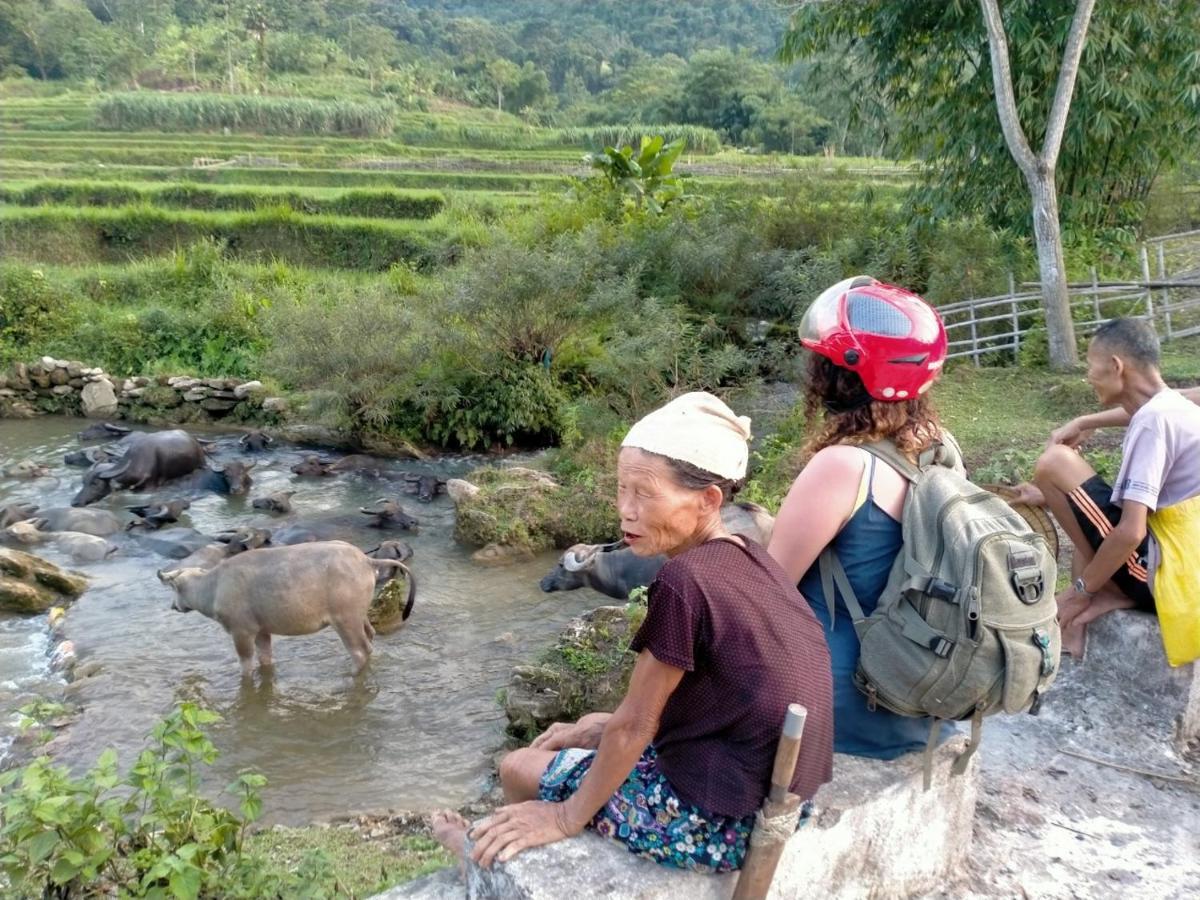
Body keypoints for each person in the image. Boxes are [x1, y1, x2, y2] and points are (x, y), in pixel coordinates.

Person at [432, 392, 834, 872]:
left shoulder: (683, 581)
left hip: (716, 822)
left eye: (644, 493)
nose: (625, 511)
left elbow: (636, 727)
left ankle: (483, 864)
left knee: (517, 766)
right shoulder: (748, 555)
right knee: (585, 730)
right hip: (779, 798)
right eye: (621, 489)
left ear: (708, 500)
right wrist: (598, 727)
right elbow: (729, 696)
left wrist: (566, 816)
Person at [768, 276, 951, 759]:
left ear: (844, 375)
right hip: (922, 695)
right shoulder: (939, 447)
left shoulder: (843, 465)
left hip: (843, 704)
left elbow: (766, 595)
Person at [1016, 318, 1200, 660]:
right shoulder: (1174, 408)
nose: (1088, 376)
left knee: (1055, 463)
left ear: (1116, 366)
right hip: (1184, 565)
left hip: (1162, 575)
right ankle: (1085, 621)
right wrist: (1052, 498)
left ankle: (1107, 592)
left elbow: (1131, 531)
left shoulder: (1153, 422)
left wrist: (1081, 591)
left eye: (1090, 365)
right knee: (1082, 504)